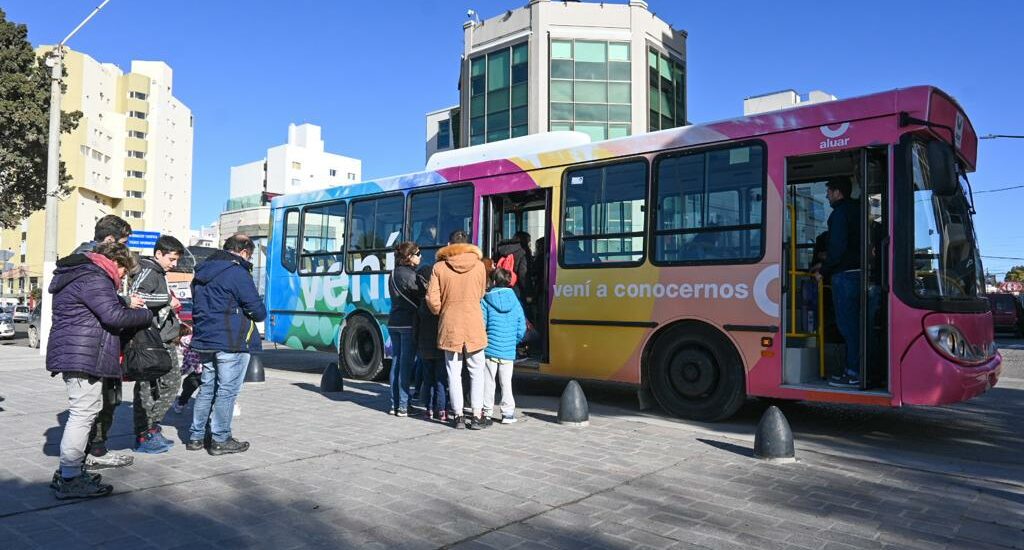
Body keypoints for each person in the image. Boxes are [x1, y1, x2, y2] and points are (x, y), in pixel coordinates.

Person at [47, 242, 152, 499]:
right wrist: (146, 316)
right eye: (124, 272)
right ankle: (70, 477)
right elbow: (114, 316)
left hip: (77, 351)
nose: (123, 277)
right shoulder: (95, 277)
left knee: (84, 411)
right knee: (83, 413)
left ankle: (70, 472)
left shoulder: (82, 274)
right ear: (116, 263)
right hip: (83, 354)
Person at [187, 235, 266, 455]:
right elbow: (258, 311)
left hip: (205, 339)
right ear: (244, 252)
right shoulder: (237, 272)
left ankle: (196, 436)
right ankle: (220, 438)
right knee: (227, 391)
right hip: (231, 340)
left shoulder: (201, 271)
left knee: (207, 387)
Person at [72, 215, 135, 470]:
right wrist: (129, 306)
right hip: (94, 344)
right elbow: (106, 308)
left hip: (94, 342)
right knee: (95, 404)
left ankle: (90, 452)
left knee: (102, 401)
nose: (125, 249)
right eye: (124, 242)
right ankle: (86, 457)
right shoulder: (93, 265)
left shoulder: (83, 260)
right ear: (110, 240)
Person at [426, 230, 488, 429]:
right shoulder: (479, 266)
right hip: (474, 324)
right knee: (477, 371)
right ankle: (477, 416)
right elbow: (481, 293)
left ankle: (458, 416)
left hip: (450, 324)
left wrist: (442, 311)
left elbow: (432, 299)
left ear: (448, 244)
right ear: (468, 244)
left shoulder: (439, 267)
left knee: (453, 372)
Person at [129, 235, 185, 453]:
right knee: (148, 387)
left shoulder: (159, 273)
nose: (175, 264)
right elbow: (137, 297)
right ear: (158, 254)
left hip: (162, 340)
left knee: (167, 385)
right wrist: (166, 299)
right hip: (150, 341)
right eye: (171, 259)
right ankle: (144, 433)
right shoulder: (149, 271)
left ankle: (150, 428)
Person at [815, 177, 862, 389]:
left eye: (829, 192)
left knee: (847, 327)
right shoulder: (858, 211)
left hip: (845, 276)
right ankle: (862, 371)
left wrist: (822, 271)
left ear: (837, 193)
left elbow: (837, 249)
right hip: (861, 273)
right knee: (859, 327)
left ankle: (852, 373)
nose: (827, 196)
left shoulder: (839, 215)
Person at [480, 267, 527, 424]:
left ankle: (486, 412)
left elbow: (482, 324)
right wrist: (514, 341)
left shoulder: (486, 299)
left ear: (493, 281)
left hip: (490, 348)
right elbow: (522, 326)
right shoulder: (515, 301)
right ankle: (507, 414)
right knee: (506, 383)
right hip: (508, 349)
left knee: (489, 382)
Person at [388, 242, 423, 416]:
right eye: (417, 253)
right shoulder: (411, 276)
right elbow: (420, 297)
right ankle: (403, 406)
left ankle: (394, 404)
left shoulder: (393, 273)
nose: (420, 256)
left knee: (396, 363)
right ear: (409, 257)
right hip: (408, 324)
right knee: (406, 365)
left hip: (393, 322)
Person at [415, 264, 446, 421]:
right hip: (440, 347)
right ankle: (441, 410)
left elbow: (417, 328)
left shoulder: (422, 304)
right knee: (440, 380)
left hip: (425, 349)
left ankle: (428, 409)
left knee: (428, 380)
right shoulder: (442, 304)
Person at [172, 323, 201, 414]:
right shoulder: (188, 343)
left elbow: (188, 361)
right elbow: (188, 360)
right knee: (189, 383)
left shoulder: (185, 341)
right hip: (202, 370)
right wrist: (180, 372)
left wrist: (180, 373)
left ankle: (181, 403)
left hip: (202, 370)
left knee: (189, 384)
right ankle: (181, 403)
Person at [494, 231, 531, 300]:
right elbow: (523, 274)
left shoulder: (501, 248)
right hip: (516, 288)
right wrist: (528, 293)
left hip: (501, 285)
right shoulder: (524, 251)